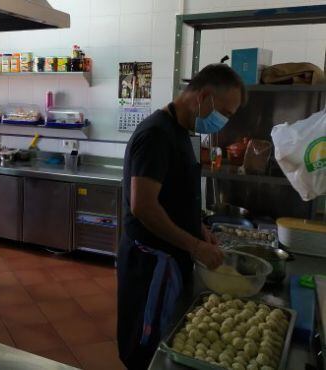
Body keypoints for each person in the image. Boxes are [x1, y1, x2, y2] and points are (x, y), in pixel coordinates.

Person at [117, 63, 246, 369]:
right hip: (151, 265)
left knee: (163, 339)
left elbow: (172, 196)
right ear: (203, 97)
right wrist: (195, 246)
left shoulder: (179, 131)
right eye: (225, 113)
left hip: (169, 259)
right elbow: (144, 206)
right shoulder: (156, 135)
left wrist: (197, 227)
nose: (224, 122)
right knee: (145, 348)